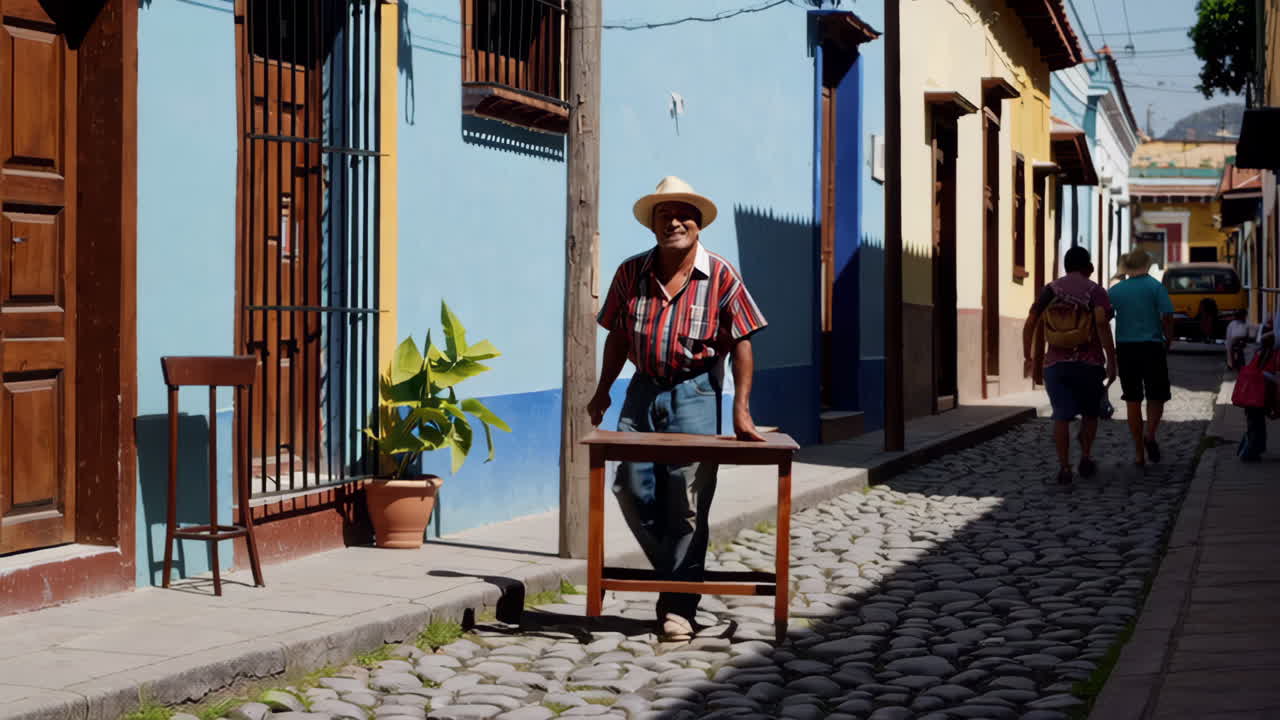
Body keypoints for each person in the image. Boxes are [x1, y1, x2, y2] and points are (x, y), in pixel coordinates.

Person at [588, 176, 767, 641]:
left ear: (699, 223)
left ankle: (678, 608)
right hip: (642, 391)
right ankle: (679, 575)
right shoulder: (631, 272)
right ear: (652, 225)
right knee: (629, 486)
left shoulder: (722, 275)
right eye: (664, 214)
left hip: (696, 392)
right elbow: (618, 336)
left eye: (684, 213)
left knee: (686, 503)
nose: (675, 221)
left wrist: (740, 411)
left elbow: (743, 340)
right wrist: (603, 390)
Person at [1024, 246, 1118, 484]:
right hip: (1089, 364)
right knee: (1089, 413)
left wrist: (1029, 356)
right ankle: (1086, 456)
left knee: (1061, 417)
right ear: (1089, 267)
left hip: (1056, 365)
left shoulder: (1051, 289)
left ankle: (1064, 467)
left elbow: (1032, 320)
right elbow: (1101, 323)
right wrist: (1111, 359)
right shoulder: (1096, 291)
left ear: (1065, 266)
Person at [1107, 248, 1176, 469]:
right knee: (1157, 396)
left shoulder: (1116, 291)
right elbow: (1167, 316)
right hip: (1152, 347)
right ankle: (1150, 434)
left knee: (1132, 400)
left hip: (1126, 349)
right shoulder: (1156, 288)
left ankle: (1138, 453)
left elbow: (1103, 316)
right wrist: (1169, 338)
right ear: (1146, 265)